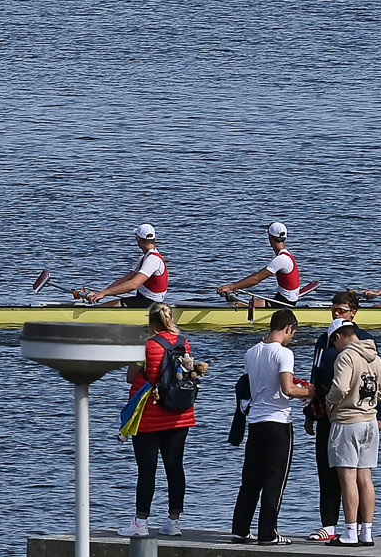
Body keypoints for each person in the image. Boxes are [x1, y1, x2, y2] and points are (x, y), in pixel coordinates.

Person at [123, 302, 207, 537]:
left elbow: (131, 377)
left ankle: (140, 522)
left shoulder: (146, 345)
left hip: (150, 414)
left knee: (147, 469)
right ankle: (174, 522)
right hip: (180, 414)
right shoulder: (183, 343)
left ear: (151, 321)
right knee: (175, 467)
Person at [232, 308, 313, 545]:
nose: (292, 338)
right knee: (275, 480)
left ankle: (240, 528)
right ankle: (268, 533)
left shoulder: (251, 352)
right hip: (278, 423)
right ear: (288, 328)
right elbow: (288, 389)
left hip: (256, 422)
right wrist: (311, 391)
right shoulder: (284, 353)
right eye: (293, 334)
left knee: (251, 479)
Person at [308, 289, 366, 542]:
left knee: (359, 474)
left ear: (353, 313)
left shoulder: (364, 340)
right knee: (327, 469)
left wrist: (379, 414)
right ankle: (329, 525)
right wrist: (311, 410)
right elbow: (315, 375)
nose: (335, 313)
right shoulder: (323, 340)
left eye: (341, 310)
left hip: (355, 414)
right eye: (333, 309)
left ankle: (362, 526)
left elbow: (372, 381)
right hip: (325, 414)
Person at [324, 319, 381, 546]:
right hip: (370, 421)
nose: (335, 347)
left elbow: (340, 387)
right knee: (366, 478)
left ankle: (350, 531)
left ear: (338, 336)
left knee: (347, 477)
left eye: (333, 343)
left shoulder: (346, 356)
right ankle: (366, 532)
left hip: (348, 420)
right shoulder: (376, 357)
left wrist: (329, 402)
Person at [220, 222, 308, 310]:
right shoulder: (287, 256)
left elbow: (256, 279)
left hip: (283, 304)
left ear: (270, 238)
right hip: (281, 299)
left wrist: (231, 287)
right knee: (245, 302)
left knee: (235, 304)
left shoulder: (281, 259)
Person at [80, 224, 172, 306]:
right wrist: (100, 293)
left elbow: (133, 285)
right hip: (141, 300)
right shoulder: (144, 258)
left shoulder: (153, 259)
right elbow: (125, 279)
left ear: (138, 239)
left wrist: (104, 293)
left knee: (103, 308)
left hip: (152, 305)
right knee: (103, 306)